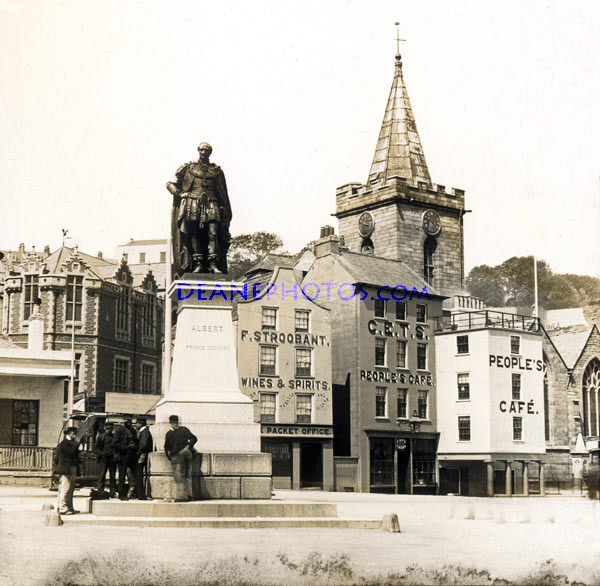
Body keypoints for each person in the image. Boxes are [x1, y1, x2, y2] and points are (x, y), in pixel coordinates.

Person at [166, 142, 232, 275]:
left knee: (213, 233)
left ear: (210, 152)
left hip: (212, 203)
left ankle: (213, 264)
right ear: (198, 151)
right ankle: (198, 264)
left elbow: (223, 193)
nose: (204, 152)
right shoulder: (188, 168)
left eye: (206, 150)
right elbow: (170, 184)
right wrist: (179, 193)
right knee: (195, 234)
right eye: (202, 150)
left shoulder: (217, 171)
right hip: (193, 203)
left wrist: (225, 210)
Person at [164, 415, 197, 501]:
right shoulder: (175, 432)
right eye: (173, 422)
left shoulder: (179, 431)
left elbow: (194, 438)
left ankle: (182, 496)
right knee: (184, 476)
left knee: (179, 477)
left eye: (175, 422)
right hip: (178, 456)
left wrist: (187, 448)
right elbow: (166, 447)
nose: (174, 424)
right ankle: (187, 495)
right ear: (171, 423)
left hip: (180, 456)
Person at [54, 426, 81, 515]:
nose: (75, 435)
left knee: (70, 488)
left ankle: (69, 507)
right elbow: (71, 452)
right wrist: (77, 444)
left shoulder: (69, 443)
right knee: (66, 488)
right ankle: (63, 508)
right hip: (66, 469)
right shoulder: (64, 444)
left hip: (70, 467)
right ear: (70, 434)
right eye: (74, 434)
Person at [113, 417, 138, 500]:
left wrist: (135, 447)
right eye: (127, 421)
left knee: (134, 475)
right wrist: (126, 447)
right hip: (123, 455)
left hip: (132, 455)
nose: (129, 422)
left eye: (130, 421)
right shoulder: (119, 430)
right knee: (122, 476)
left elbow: (136, 442)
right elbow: (115, 444)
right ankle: (121, 494)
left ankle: (133, 493)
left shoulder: (133, 431)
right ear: (124, 421)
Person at [94, 422, 117, 496]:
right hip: (103, 458)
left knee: (112, 476)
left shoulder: (114, 437)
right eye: (107, 428)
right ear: (104, 428)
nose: (109, 430)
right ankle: (100, 491)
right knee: (101, 475)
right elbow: (96, 448)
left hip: (112, 458)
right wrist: (102, 453)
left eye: (110, 428)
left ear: (112, 429)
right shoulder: (101, 437)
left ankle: (112, 492)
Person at [134, 417, 153, 500]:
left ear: (140, 423)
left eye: (137, 423)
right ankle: (140, 494)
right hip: (143, 454)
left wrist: (138, 452)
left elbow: (143, 444)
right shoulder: (144, 431)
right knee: (139, 474)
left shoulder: (144, 432)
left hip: (142, 455)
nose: (136, 425)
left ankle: (140, 494)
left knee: (139, 474)